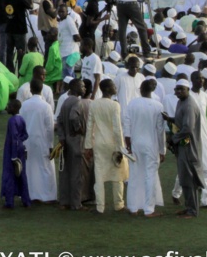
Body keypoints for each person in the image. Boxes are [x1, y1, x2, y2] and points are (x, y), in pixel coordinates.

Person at [84, 78, 129, 213]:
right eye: (113, 86)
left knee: (99, 175)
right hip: (113, 143)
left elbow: (90, 126)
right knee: (118, 175)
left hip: (98, 143)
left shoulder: (94, 104)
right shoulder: (115, 105)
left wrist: (88, 146)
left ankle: (100, 206)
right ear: (108, 89)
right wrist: (120, 147)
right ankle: (119, 204)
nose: (116, 88)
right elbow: (117, 128)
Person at [124, 78, 166, 217]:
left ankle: (133, 207)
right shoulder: (158, 106)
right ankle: (149, 209)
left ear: (141, 89)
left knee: (134, 174)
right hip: (151, 144)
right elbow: (160, 131)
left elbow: (127, 125)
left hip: (135, 143)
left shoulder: (132, 104)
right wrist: (162, 150)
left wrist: (128, 144)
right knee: (150, 175)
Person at [169, 78, 203, 218]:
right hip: (184, 144)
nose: (178, 92)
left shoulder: (189, 105)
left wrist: (173, 139)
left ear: (188, 90)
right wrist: (170, 119)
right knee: (184, 177)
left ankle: (192, 210)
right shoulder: (181, 102)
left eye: (181, 89)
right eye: (177, 89)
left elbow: (188, 128)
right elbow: (181, 121)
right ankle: (189, 206)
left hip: (188, 146)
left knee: (188, 178)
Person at [55, 79, 89, 210]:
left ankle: (64, 201)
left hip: (66, 141)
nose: (84, 89)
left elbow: (59, 120)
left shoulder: (65, 101)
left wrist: (62, 138)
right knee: (77, 173)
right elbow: (73, 117)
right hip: (76, 141)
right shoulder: (77, 102)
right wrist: (79, 129)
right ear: (75, 87)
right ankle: (76, 203)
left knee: (65, 172)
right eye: (82, 86)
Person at [21, 77, 57, 203]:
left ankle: (31, 193)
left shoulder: (24, 105)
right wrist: (51, 144)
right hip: (42, 140)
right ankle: (48, 195)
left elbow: (21, 124)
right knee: (45, 167)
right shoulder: (46, 106)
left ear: (30, 89)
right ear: (42, 89)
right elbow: (50, 128)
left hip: (28, 140)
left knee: (30, 167)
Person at [1, 98, 31, 208]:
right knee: (22, 175)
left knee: (9, 175)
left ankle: (9, 202)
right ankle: (26, 200)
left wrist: (13, 156)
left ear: (14, 108)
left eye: (9, 106)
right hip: (21, 149)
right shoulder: (21, 119)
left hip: (12, 150)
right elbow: (26, 135)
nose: (7, 107)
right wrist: (20, 141)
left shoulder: (12, 121)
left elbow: (13, 138)